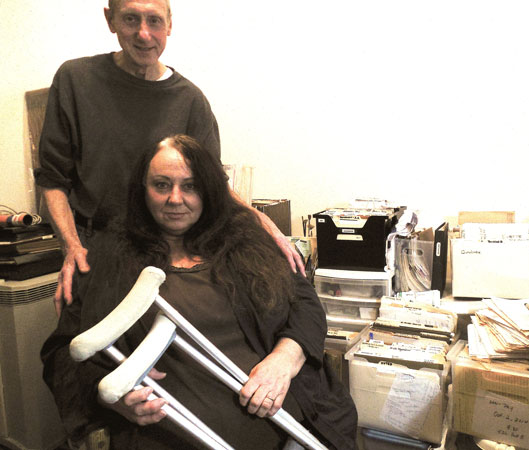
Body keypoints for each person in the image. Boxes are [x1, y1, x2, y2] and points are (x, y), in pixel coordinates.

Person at [41, 134, 358, 450]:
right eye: (161, 185)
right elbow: (62, 355)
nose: (175, 199)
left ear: (209, 190)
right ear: (142, 190)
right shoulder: (109, 257)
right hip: (168, 432)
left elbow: (306, 304)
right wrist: (111, 399)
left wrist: (284, 360)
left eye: (190, 186)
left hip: (288, 427)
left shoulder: (247, 241)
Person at [34, 0, 303, 316]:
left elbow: (212, 185)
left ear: (170, 25)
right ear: (110, 20)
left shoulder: (190, 101)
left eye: (155, 21)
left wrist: (261, 221)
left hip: (162, 251)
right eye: (131, 19)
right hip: (92, 247)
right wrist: (71, 248)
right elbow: (53, 179)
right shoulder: (75, 79)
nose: (144, 34)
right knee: (88, 349)